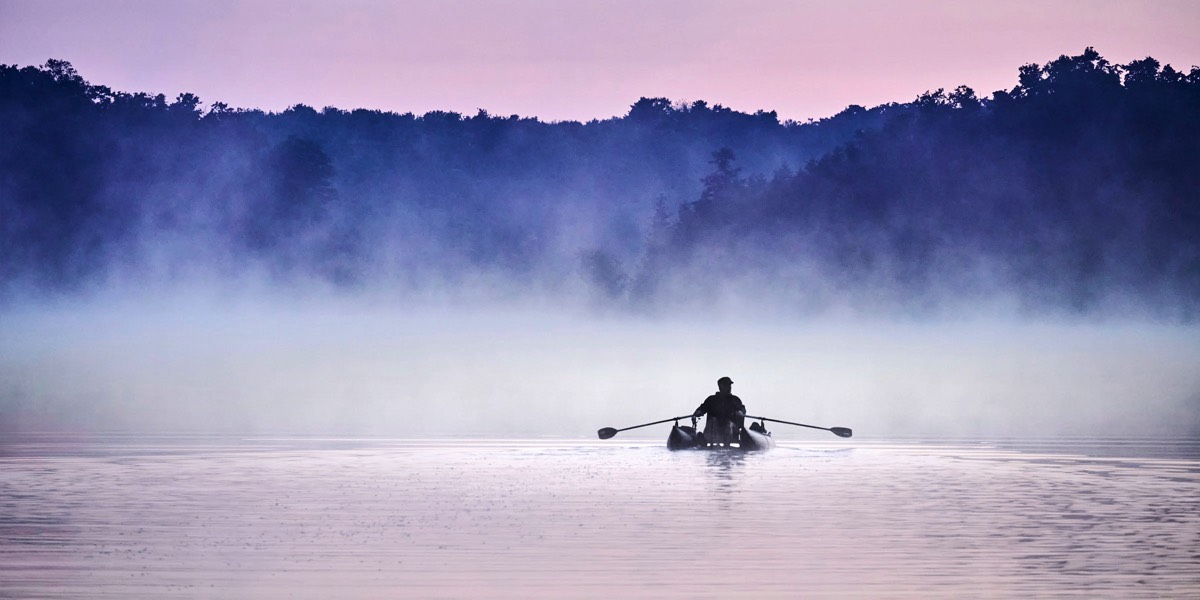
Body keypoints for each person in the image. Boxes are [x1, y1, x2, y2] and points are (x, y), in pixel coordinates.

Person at [693, 376, 746, 446]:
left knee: (728, 424)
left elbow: (742, 409)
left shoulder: (735, 400)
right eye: (727, 385)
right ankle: (704, 441)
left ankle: (726, 445)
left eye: (729, 385)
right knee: (712, 421)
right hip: (713, 430)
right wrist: (698, 412)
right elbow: (702, 408)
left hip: (731, 431)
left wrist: (741, 412)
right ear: (720, 386)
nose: (729, 387)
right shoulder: (711, 400)